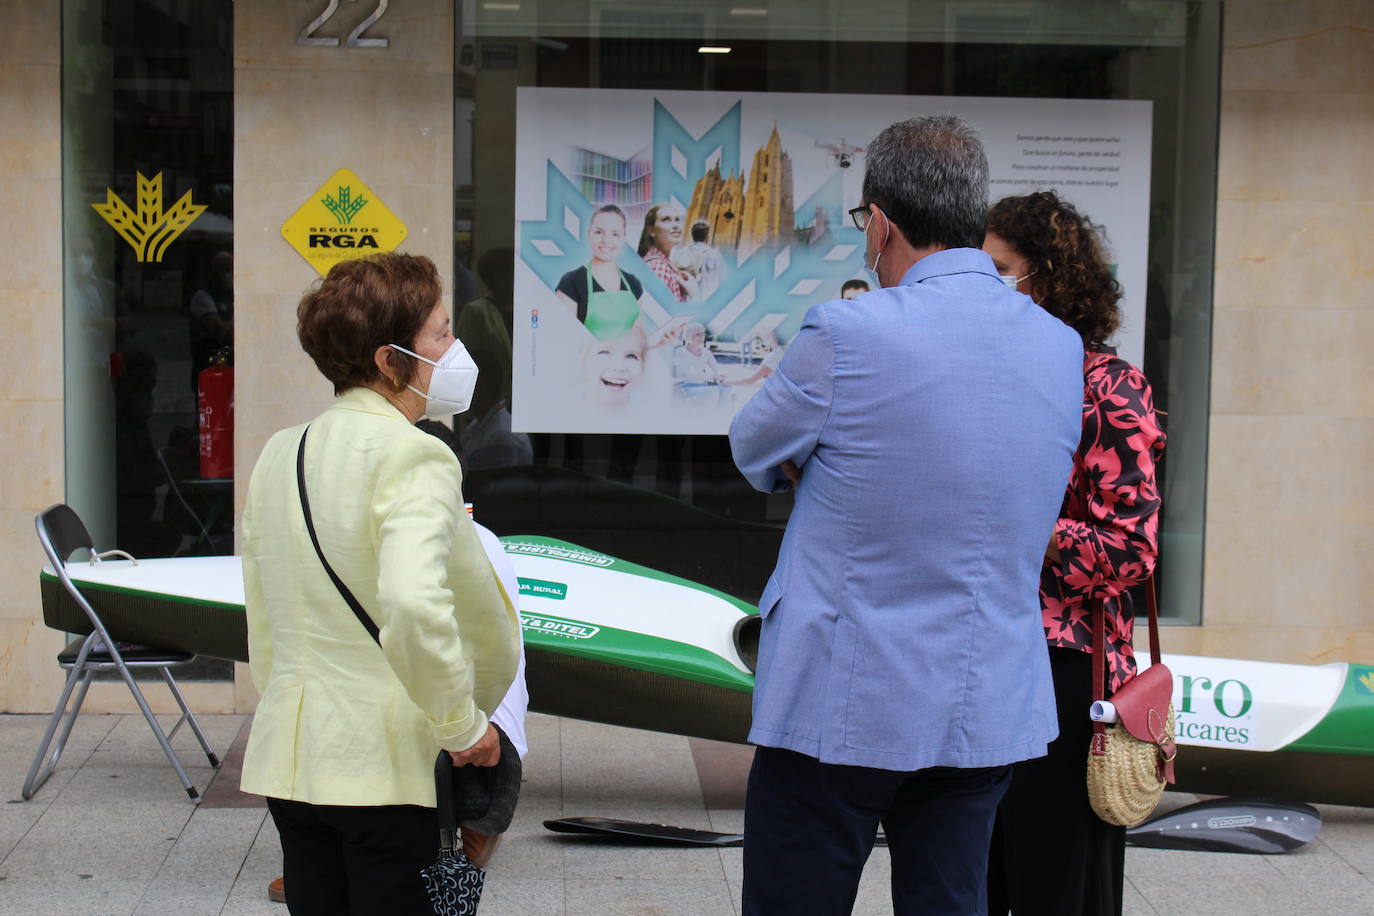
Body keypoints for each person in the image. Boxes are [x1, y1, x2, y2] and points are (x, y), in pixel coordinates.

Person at [728, 116, 1084, 916]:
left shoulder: (845, 333)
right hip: (982, 697)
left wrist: (813, 458)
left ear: (882, 223)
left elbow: (753, 447)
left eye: (863, 226)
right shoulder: (1060, 347)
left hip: (838, 697)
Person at [240, 252, 520, 914]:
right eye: (441, 333)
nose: (454, 349)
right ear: (392, 360)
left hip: (295, 759)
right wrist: (463, 726)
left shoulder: (282, 450)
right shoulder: (416, 453)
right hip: (388, 768)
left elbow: (262, 604)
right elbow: (414, 605)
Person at [983, 191, 1166, 916]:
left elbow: (1131, 550)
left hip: (1066, 670)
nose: (987, 289)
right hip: (980, 649)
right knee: (977, 872)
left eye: (1002, 271)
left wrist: (1033, 521)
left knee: (1053, 880)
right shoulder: (987, 371)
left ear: (1051, 278)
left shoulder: (1108, 387)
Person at [637, 201, 694, 302]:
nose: (676, 225)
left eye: (677, 220)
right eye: (666, 220)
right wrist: (695, 295)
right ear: (651, 230)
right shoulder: (658, 267)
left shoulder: (664, 264)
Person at [672, 220, 724, 300]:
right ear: (707, 236)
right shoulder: (714, 255)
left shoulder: (680, 253)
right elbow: (716, 284)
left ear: (693, 235)